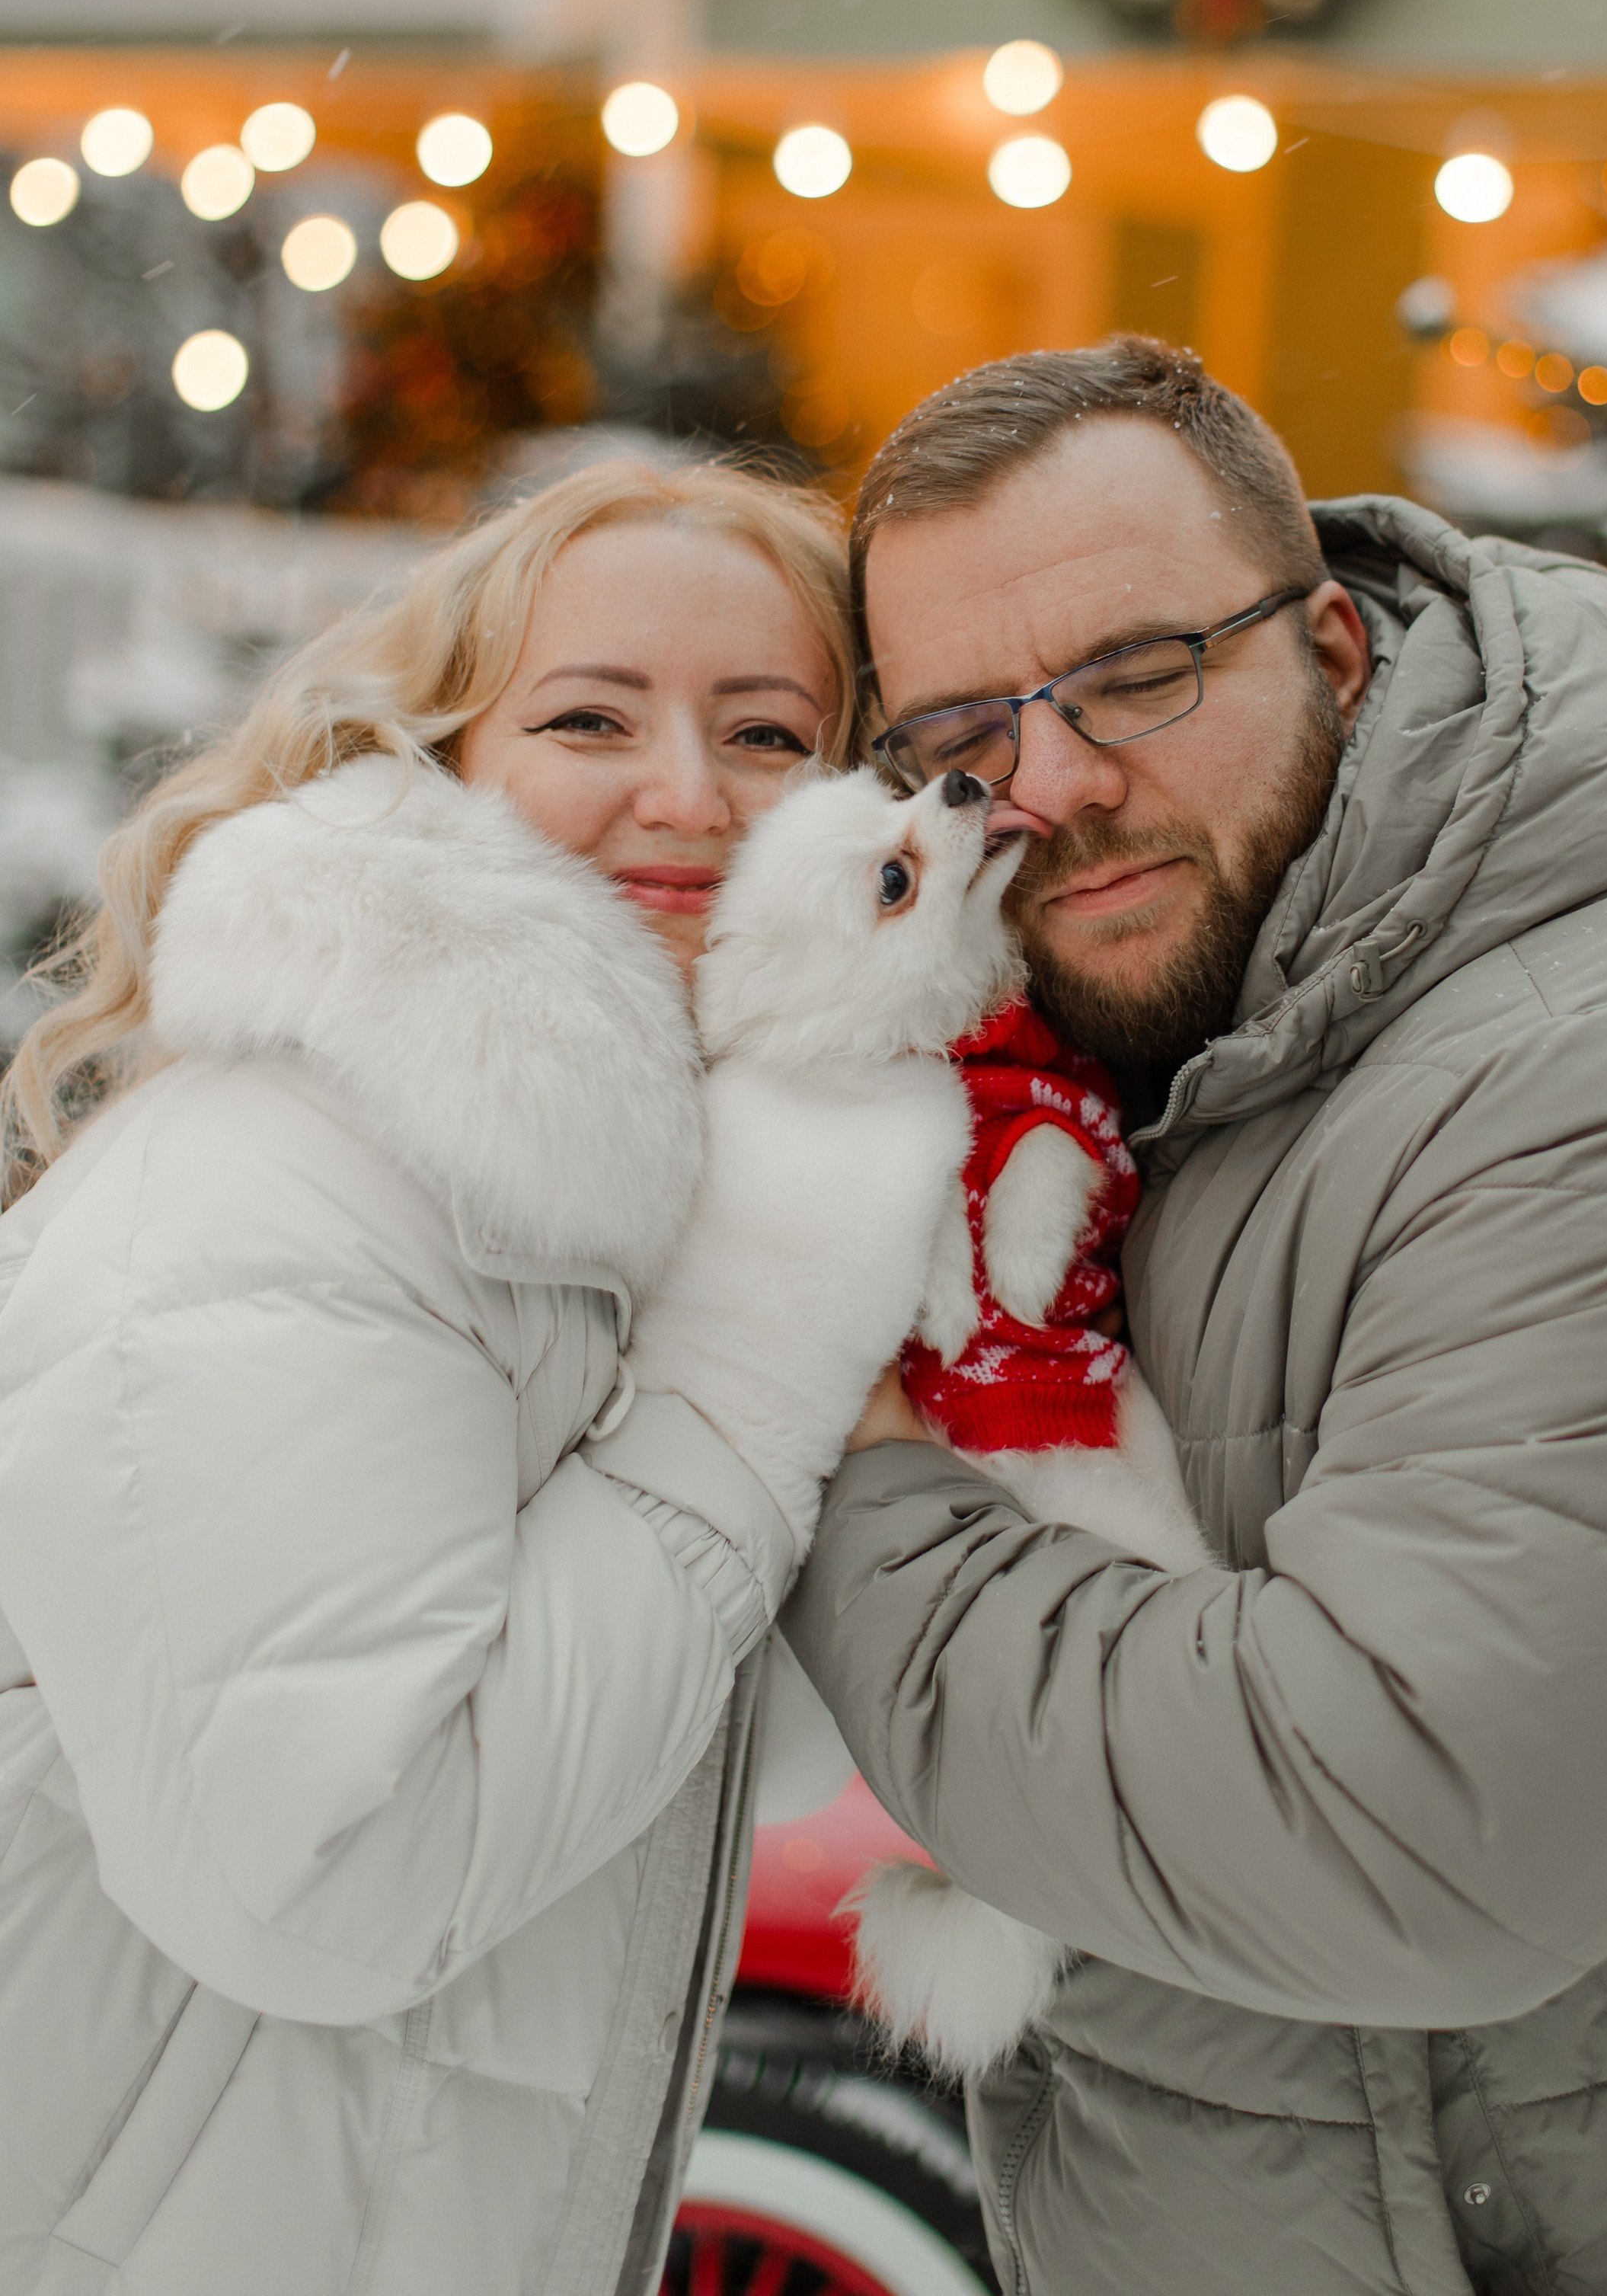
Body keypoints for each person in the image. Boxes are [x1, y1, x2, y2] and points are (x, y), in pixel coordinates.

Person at [790, 338, 1607, 2296]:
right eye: (965, 733)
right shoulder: (1132, 1043)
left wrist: (861, 1499)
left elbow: (1408, 1836)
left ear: (1330, 649)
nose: (1050, 788)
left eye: (1137, 674)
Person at [0, 459, 860, 2296]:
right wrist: (744, 1397)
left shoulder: (611, 1222)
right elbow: (329, 1886)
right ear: (443, 758)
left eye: (770, 730)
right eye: (588, 717)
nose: (689, 796)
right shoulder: (284, 1184)